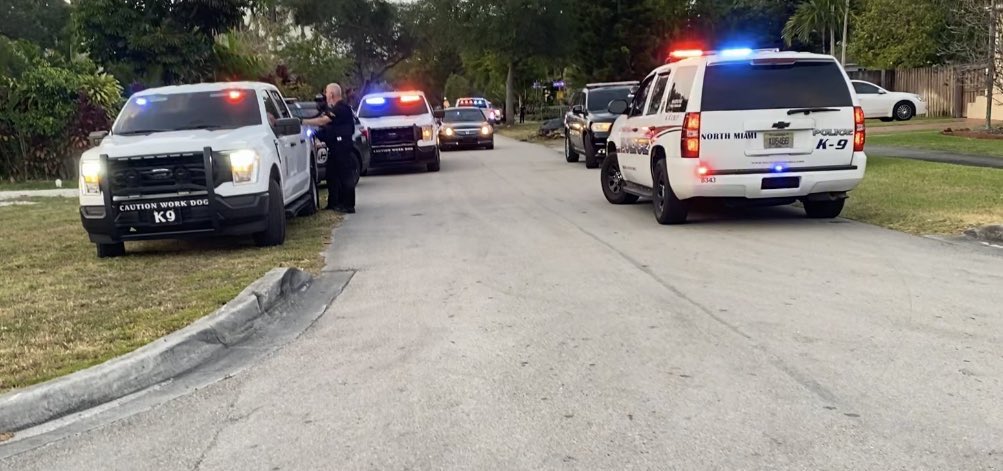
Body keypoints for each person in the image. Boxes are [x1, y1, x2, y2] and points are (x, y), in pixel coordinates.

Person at [304, 83, 357, 213]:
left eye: (326, 92)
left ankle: (348, 205)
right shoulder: (335, 109)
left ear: (332, 94)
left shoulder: (341, 108)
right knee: (331, 175)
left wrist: (303, 122)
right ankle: (334, 203)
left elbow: (323, 121)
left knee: (345, 176)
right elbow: (327, 127)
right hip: (335, 147)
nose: (325, 95)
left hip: (342, 147)